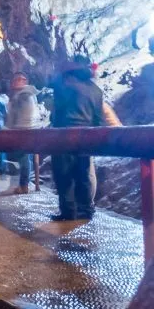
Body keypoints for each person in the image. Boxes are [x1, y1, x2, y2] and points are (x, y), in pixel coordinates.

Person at [50, 55, 105, 220]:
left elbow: (58, 111)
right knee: (84, 174)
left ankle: (68, 211)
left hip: (64, 136)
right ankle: (86, 210)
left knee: (63, 174)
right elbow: (98, 119)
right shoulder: (97, 90)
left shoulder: (65, 84)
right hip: (86, 137)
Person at [7, 72, 40, 194]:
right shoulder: (29, 95)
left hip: (23, 130)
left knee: (24, 158)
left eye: (19, 80)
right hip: (29, 129)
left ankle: (24, 185)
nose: (16, 82)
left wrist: (10, 129)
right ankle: (24, 184)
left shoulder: (22, 96)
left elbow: (14, 117)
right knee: (25, 158)